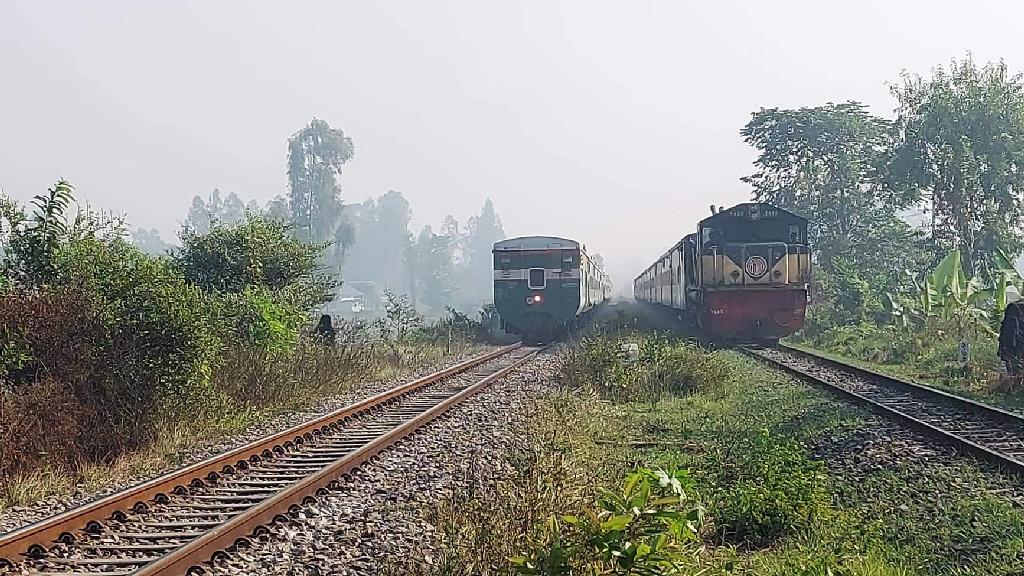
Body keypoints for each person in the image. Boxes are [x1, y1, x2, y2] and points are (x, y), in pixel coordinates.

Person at [998, 286, 1024, 376]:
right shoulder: (1020, 308)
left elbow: (1010, 330)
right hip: (1019, 343)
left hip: (1012, 344)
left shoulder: (1012, 308)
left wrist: (1005, 347)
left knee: (1013, 370)